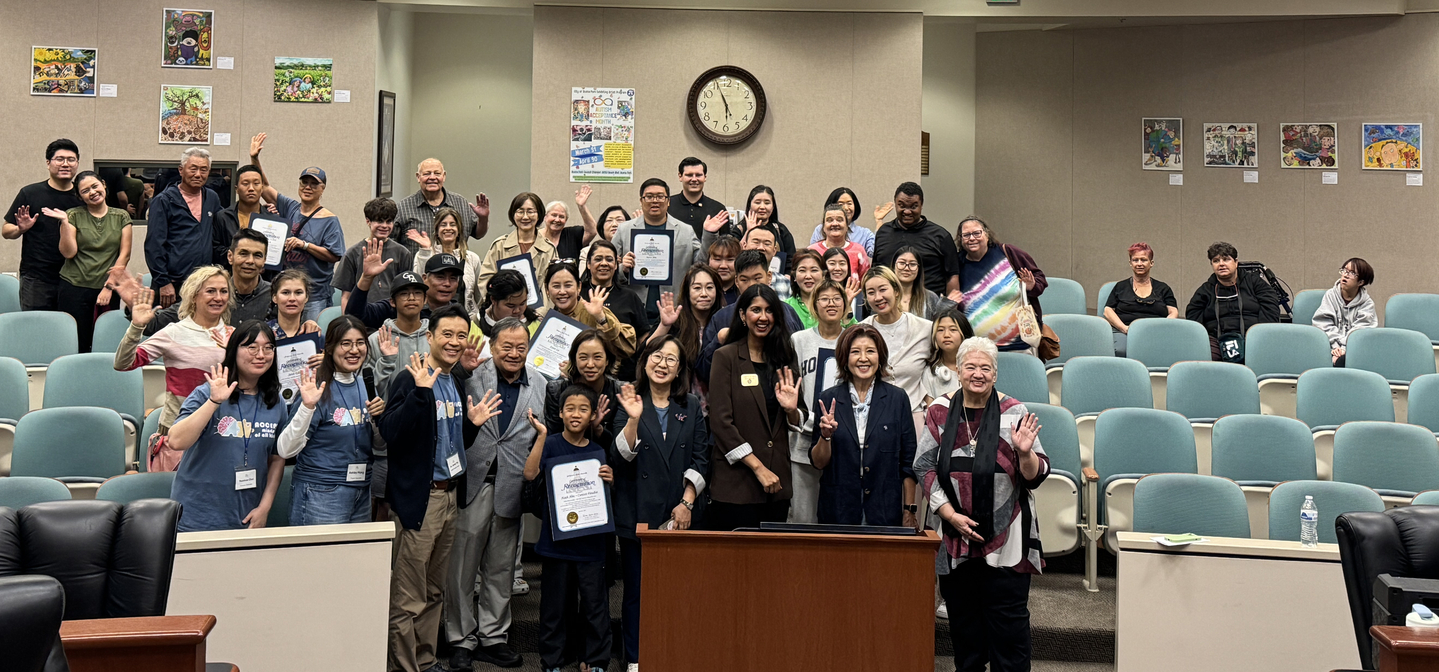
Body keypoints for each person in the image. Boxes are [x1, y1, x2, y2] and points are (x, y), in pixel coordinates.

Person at [914, 336, 1048, 672]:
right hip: (954, 536)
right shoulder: (939, 410)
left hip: (1007, 538)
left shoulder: (1015, 411)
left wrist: (1024, 452)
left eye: (985, 368)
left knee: (1009, 634)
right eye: (970, 366)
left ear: (995, 374)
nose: (978, 373)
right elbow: (924, 466)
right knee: (965, 631)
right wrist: (948, 513)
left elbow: (1036, 475)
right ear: (957, 371)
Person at [382, 306, 500, 672]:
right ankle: (404, 667)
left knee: (435, 591)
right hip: (421, 500)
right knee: (408, 595)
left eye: (460, 335)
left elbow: (448, 442)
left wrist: (473, 425)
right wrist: (419, 394)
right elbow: (391, 433)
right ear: (429, 337)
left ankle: (426, 659)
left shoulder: (454, 380)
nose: (454, 342)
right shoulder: (411, 378)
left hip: (449, 497)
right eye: (446, 334)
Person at [446, 317, 544, 670]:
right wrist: (460, 368)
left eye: (521, 347)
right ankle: (460, 638)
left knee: (501, 569)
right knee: (461, 567)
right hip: (474, 482)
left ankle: (493, 636)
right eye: (507, 346)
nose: (514, 353)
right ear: (492, 345)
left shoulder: (542, 385)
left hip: (511, 487)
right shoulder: (472, 376)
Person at [611, 335, 708, 667]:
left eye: (671, 359)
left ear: (679, 368)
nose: (662, 363)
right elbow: (620, 457)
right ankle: (636, 659)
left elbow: (701, 458)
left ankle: (674, 653)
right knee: (637, 593)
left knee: (678, 592)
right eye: (657, 356)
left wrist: (687, 503)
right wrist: (634, 418)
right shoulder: (629, 398)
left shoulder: (691, 406)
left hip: (678, 512)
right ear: (645, 360)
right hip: (637, 510)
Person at [166, 320, 312, 532]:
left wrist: (265, 507)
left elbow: (277, 458)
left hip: (246, 516)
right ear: (234, 350)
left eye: (268, 348)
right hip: (197, 515)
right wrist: (214, 402)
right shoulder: (208, 392)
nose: (260, 355)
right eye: (251, 347)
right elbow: (176, 441)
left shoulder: (275, 402)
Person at [521, 385, 613, 672]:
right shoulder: (549, 444)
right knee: (554, 608)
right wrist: (542, 435)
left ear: (592, 415)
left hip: (591, 544)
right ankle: (553, 662)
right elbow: (529, 473)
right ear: (560, 413)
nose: (576, 414)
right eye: (570, 408)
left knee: (595, 606)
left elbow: (604, 496)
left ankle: (596, 660)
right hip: (556, 542)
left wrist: (610, 478)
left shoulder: (599, 451)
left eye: (583, 409)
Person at [707, 284, 805, 529]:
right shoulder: (726, 357)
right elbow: (721, 422)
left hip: (777, 486)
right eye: (756, 310)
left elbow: (797, 418)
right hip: (736, 486)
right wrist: (758, 468)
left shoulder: (785, 358)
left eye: (769, 310)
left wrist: (792, 410)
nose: (763, 317)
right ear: (742, 315)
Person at [281, 315, 388, 525]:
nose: (354, 350)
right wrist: (307, 407)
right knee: (321, 558)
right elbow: (286, 450)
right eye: (345, 344)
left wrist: (378, 420)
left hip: (361, 489)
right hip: (322, 491)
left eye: (360, 343)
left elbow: (379, 444)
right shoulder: (317, 388)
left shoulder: (365, 384)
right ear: (329, 348)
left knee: (354, 558)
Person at [810, 323, 918, 527]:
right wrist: (825, 436)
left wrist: (909, 508)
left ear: (880, 357)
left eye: (870, 351)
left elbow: (908, 461)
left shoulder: (897, 398)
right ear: (844, 358)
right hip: (838, 510)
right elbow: (818, 463)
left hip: (884, 510)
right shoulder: (828, 399)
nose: (863, 358)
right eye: (855, 352)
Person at [114, 266, 232, 435]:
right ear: (193, 295)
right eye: (211, 291)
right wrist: (137, 326)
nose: (218, 298)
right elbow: (123, 364)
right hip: (176, 428)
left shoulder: (234, 336)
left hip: (220, 430)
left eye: (224, 291)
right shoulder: (173, 332)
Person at [249, 137, 346, 321]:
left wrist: (304, 245)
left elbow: (335, 255)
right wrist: (255, 159)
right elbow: (265, 187)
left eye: (314, 184)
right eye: (304, 183)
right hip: (285, 290)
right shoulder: (290, 207)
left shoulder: (330, 220)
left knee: (311, 338)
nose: (308, 187)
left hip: (314, 295)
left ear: (322, 188)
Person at [788, 279, 850, 523]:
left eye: (837, 298)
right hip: (803, 440)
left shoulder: (853, 340)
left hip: (845, 441)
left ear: (846, 305)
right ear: (813, 306)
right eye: (824, 299)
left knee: (839, 520)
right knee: (802, 519)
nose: (831, 303)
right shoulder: (799, 340)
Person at [695, 250, 806, 383]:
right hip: (735, 393)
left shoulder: (788, 313)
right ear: (736, 281)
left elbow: (801, 359)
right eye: (744, 279)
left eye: (757, 278)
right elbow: (703, 371)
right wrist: (718, 342)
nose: (751, 285)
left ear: (769, 277)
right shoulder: (721, 318)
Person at [53, 171, 131, 352]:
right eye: (85, 190)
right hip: (74, 286)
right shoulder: (72, 215)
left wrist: (109, 287)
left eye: (95, 186)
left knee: (104, 338)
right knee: (75, 340)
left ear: (103, 184)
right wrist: (64, 223)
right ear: (80, 196)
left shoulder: (121, 216)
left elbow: (124, 255)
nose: (92, 192)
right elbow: (69, 252)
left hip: (108, 287)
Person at [4, 139, 83, 311]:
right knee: (35, 327)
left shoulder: (82, 196)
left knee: (69, 329)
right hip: (37, 277)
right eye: (59, 159)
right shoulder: (30, 193)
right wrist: (20, 229)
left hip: (75, 277)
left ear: (77, 163)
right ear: (48, 163)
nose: (65, 164)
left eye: (71, 159)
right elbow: (5, 230)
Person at [613, 178, 703, 325]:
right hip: (634, 311)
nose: (655, 201)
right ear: (641, 201)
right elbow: (608, 269)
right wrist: (624, 269)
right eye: (649, 196)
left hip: (674, 310)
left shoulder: (685, 231)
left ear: (668, 201)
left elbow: (701, 263)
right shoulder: (624, 230)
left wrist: (709, 235)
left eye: (660, 196)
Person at [956, 216, 1048, 355]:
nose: (972, 238)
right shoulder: (957, 264)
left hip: (1020, 346)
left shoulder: (1008, 253)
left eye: (977, 233)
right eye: (966, 235)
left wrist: (1031, 286)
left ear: (986, 234)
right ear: (960, 239)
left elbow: (1040, 279)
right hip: (977, 349)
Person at [145, 147, 221, 308]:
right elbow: (154, 245)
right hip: (172, 285)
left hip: (202, 282)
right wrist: (163, 282)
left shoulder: (212, 198)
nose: (198, 174)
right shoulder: (164, 201)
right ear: (181, 170)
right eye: (193, 169)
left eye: (204, 170)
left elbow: (225, 225)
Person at [1184, 242, 1281, 363]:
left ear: (1236, 262)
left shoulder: (1255, 283)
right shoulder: (1205, 290)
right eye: (1216, 261)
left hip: (1252, 340)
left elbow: (1271, 311)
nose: (1221, 264)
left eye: (1226, 259)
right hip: (1217, 344)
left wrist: (1258, 336)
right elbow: (1194, 321)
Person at [861, 267, 934, 420]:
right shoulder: (861, 332)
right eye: (871, 292)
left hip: (915, 413)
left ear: (896, 290)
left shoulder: (925, 328)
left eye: (882, 289)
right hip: (873, 416)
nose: (878, 297)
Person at [347, 241, 467, 330]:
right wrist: (367, 278)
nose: (447, 284)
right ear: (425, 278)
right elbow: (355, 316)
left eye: (453, 278)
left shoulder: (459, 313)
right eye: (440, 277)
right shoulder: (403, 305)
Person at [873, 182, 959, 296]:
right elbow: (875, 270)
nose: (907, 211)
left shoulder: (940, 236)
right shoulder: (883, 233)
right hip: (889, 305)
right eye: (902, 205)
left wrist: (949, 309)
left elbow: (952, 275)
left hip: (929, 307)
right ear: (895, 204)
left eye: (914, 206)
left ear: (921, 205)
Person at [647, 264, 722, 388]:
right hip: (679, 396)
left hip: (716, 395)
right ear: (687, 291)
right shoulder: (675, 320)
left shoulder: (724, 320)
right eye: (697, 288)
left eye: (709, 287)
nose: (704, 294)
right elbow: (645, 354)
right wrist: (664, 326)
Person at [581, 240, 648, 379]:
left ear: (616, 265)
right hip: (583, 373)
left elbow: (643, 338)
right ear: (588, 264)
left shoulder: (630, 296)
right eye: (598, 259)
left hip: (624, 376)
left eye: (609, 259)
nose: (604, 263)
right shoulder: (578, 295)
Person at [393, 158, 490, 252]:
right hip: (417, 267)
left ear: (444, 176)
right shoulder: (403, 208)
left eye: (437, 173)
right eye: (427, 174)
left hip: (456, 266)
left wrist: (483, 219)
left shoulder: (460, 203)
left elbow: (478, 234)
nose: (432, 177)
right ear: (418, 177)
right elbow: (392, 243)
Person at [544, 262, 637, 359]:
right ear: (547, 289)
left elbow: (628, 348)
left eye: (568, 285)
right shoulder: (550, 320)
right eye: (556, 286)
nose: (562, 292)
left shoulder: (594, 311)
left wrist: (601, 317)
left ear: (579, 287)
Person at [543, 329, 622, 442]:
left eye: (597, 357)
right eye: (583, 357)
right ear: (574, 359)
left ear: (607, 360)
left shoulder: (619, 391)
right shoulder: (556, 390)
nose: (590, 364)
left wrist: (597, 428)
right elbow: (554, 438)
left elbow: (618, 446)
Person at [478, 192, 555, 305]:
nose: (525, 217)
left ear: (539, 215)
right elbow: (485, 279)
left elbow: (551, 286)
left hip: (536, 315)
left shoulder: (548, 249)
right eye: (520, 211)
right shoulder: (500, 245)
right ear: (513, 215)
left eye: (530, 211)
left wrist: (539, 314)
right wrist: (499, 306)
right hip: (501, 313)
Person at [335, 198, 413, 309]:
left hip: (392, 315)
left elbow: (406, 291)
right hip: (361, 314)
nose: (385, 226)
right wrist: (348, 322)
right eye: (380, 221)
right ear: (368, 221)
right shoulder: (353, 253)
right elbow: (346, 296)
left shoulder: (403, 253)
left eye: (389, 221)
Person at [1103, 242, 1178, 357]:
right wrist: (1124, 329)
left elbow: (1173, 312)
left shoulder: (1163, 288)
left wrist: (1162, 329)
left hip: (1156, 333)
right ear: (1130, 263)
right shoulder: (1120, 287)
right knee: (1121, 351)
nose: (1139, 264)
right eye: (1135, 260)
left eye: (1143, 260)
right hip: (1124, 332)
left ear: (1151, 263)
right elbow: (1107, 311)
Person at [409, 207, 481, 318]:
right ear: (437, 230)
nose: (448, 228)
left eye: (452, 224)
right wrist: (425, 251)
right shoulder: (425, 253)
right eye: (443, 225)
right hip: (430, 317)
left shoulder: (472, 258)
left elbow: (479, 296)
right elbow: (418, 285)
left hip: (465, 319)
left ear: (459, 230)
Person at [1313, 258, 1377, 367]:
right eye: (1345, 271)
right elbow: (1322, 323)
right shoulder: (1331, 295)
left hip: (1353, 351)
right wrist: (1335, 348)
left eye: (1352, 273)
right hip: (1328, 346)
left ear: (1361, 282)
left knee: (1347, 361)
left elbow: (1360, 333)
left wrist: (1344, 350)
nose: (1345, 275)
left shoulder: (1367, 304)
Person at [210, 161, 269, 266]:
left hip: (263, 278)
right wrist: (240, 256)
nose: (251, 188)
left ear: (262, 188)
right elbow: (215, 249)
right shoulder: (223, 217)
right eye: (245, 184)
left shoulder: (272, 219)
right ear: (236, 189)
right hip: (230, 277)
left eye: (256, 183)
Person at [921, 308, 977, 405]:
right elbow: (930, 412)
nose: (946, 335)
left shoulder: (977, 369)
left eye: (953, 329)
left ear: (964, 333)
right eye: (940, 330)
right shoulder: (929, 372)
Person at [717, 185, 795, 255]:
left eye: (767, 203)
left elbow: (790, 259)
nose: (762, 207)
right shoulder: (739, 229)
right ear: (750, 205)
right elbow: (732, 254)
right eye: (757, 203)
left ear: (773, 206)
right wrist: (749, 231)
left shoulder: (781, 230)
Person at [809, 203, 871, 282]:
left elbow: (865, 281)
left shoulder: (858, 250)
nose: (835, 224)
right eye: (829, 220)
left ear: (847, 226)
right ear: (823, 227)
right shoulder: (813, 251)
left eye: (839, 220)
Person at [667, 156, 726, 240]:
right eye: (689, 175)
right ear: (680, 176)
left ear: (705, 177)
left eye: (698, 175)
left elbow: (726, 245)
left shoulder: (718, 209)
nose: (694, 179)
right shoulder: (667, 205)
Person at [895, 246, 958, 320]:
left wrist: (944, 308)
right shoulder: (884, 295)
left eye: (912, 264)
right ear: (893, 266)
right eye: (902, 263)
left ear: (919, 269)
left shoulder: (930, 297)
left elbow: (937, 325)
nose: (906, 268)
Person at [808, 187, 875, 256]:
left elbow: (873, 253)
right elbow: (813, 256)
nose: (846, 208)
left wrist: (879, 221)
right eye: (840, 204)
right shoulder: (820, 229)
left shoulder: (864, 233)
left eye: (849, 203)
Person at [475, 269, 540, 338]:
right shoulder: (472, 327)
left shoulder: (538, 328)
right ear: (493, 300)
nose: (517, 311)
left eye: (522, 304)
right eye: (511, 306)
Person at [539, 196, 596, 262]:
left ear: (566, 220)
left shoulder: (572, 235)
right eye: (554, 215)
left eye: (562, 217)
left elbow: (591, 231)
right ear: (545, 217)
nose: (557, 220)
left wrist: (582, 207)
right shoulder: (535, 236)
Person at [267, 269, 320, 340]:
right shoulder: (262, 334)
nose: (292, 298)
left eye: (298, 293)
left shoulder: (313, 335)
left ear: (306, 297)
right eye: (285, 292)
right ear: (275, 298)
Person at [578, 203, 630, 275]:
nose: (614, 224)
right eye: (609, 220)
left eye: (619, 220)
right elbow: (583, 281)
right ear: (602, 227)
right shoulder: (587, 252)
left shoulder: (632, 252)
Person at [784, 249, 830, 330]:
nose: (808, 276)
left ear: (824, 275)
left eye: (814, 270)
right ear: (794, 276)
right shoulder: (785, 307)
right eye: (802, 270)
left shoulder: (833, 305)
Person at [821, 247, 865, 321]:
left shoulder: (859, 295)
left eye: (842, 263)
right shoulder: (817, 294)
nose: (838, 268)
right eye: (832, 263)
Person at [706, 235, 741, 306]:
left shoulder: (745, 292)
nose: (723, 266)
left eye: (730, 260)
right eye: (717, 259)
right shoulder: (700, 293)